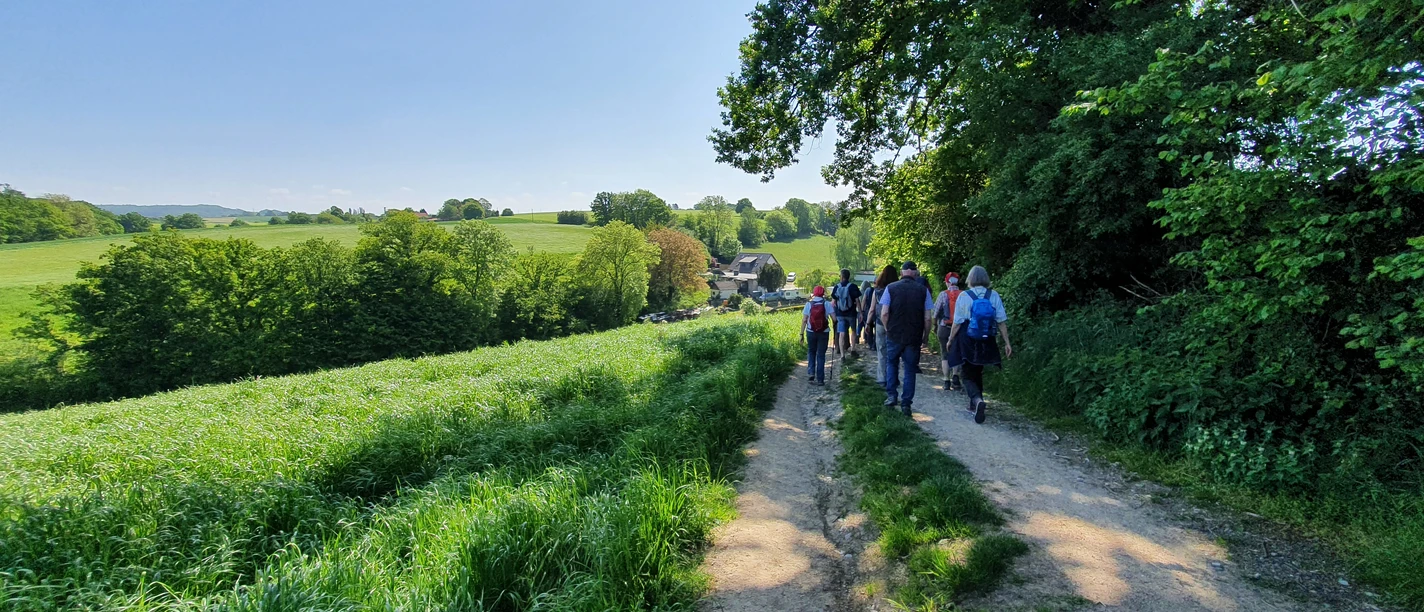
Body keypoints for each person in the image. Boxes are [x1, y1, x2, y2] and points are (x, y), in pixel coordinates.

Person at [944, 265, 1013, 424]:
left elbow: (958, 322)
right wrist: (1007, 343)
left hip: (967, 336)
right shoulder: (993, 295)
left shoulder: (965, 295)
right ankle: (975, 402)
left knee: (967, 372)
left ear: (970, 278)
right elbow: (1001, 321)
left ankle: (976, 400)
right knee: (978, 369)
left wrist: (950, 339)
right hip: (987, 337)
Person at [878, 261, 934, 416]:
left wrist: (888, 327)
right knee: (910, 369)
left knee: (892, 363)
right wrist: (926, 335)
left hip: (894, 334)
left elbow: (884, 313)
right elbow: (928, 318)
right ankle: (906, 404)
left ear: (902, 273)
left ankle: (891, 396)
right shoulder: (923, 291)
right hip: (914, 335)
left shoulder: (890, 288)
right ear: (915, 273)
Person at [864, 266, 897, 384]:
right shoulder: (895, 289)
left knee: (881, 351)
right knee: (893, 352)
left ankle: (882, 378)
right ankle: (893, 377)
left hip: (879, 323)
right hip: (893, 324)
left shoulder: (877, 290)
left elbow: (872, 309)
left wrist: (868, 323)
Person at [934, 272, 964, 391]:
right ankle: (955, 376)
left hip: (944, 327)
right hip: (958, 328)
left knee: (944, 354)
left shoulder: (943, 294)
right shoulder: (963, 294)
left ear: (947, 282)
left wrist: (934, 325)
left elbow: (935, 313)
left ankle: (946, 380)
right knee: (957, 352)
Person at [800, 285, 835, 386]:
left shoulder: (808, 304)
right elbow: (834, 319)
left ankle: (811, 373)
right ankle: (820, 379)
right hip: (824, 333)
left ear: (814, 294)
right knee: (821, 355)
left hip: (810, 332)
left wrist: (801, 334)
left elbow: (804, 320)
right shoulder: (827, 304)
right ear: (823, 293)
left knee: (811, 352)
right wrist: (834, 328)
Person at [830, 268, 863, 360]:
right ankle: (852, 350)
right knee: (853, 331)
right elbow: (858, 301)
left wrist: (832, 314)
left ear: (842, 277)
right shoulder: (853, 286)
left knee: (842, 333)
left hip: (840, 314)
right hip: (851, 314)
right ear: (848, 277)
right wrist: (860, 312)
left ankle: (842, 355)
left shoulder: (837, 287)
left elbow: (833, 303)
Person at [857, 280, 876, 351]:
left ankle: (870, 344)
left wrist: (861, 312)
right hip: (876, 313)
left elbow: (863, 301)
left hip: (867, 312)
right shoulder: (879, 290)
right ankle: (875, 344)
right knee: (876, 329)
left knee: (869, 329)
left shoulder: (868, 290)